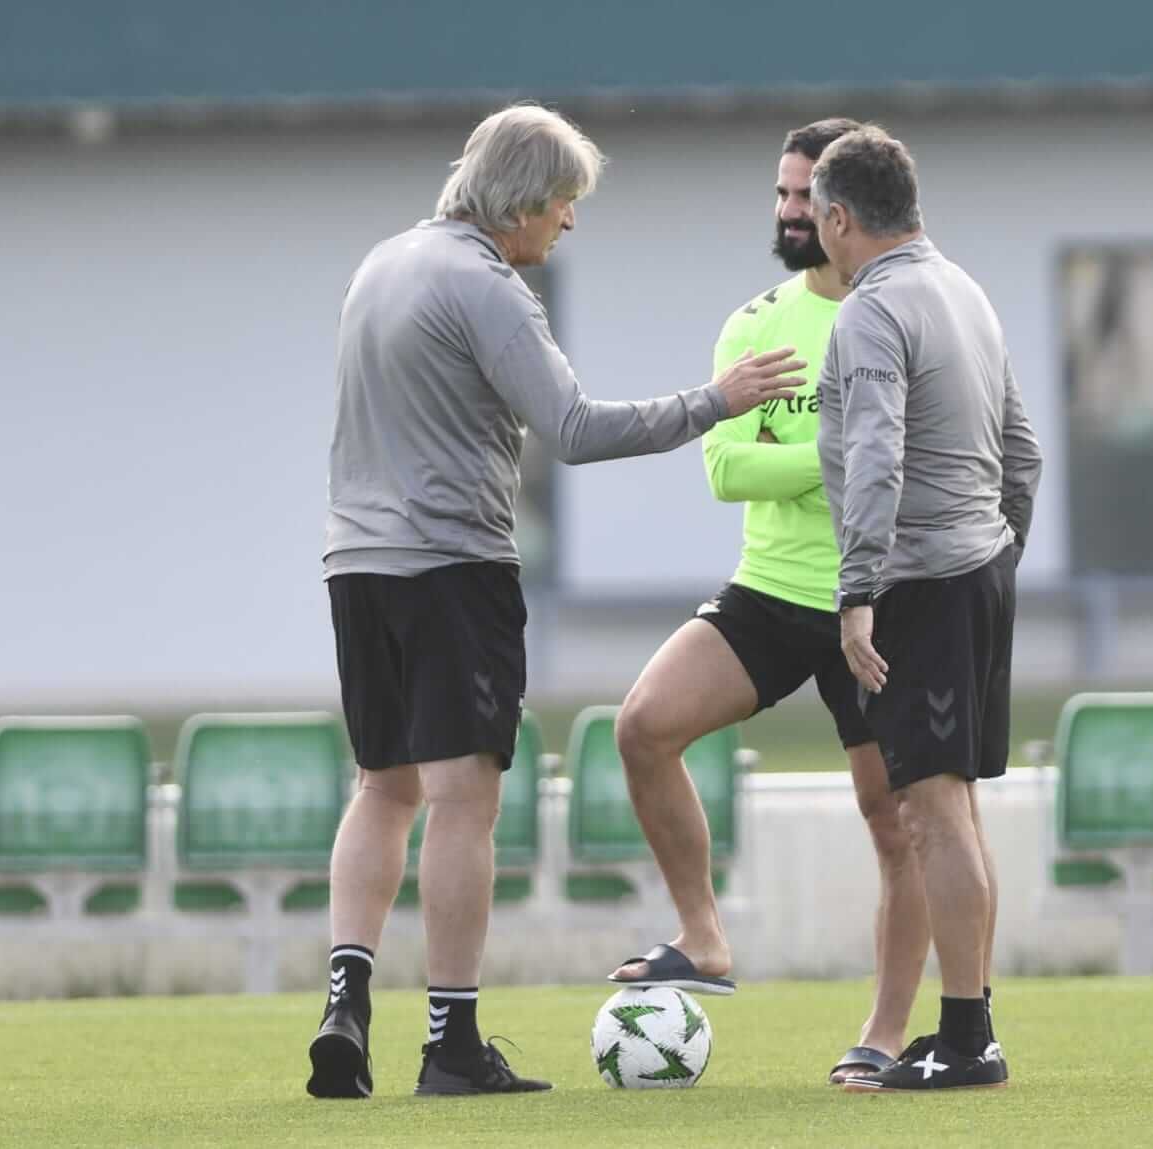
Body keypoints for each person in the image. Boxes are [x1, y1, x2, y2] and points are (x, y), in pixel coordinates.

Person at [309, 103, 806, 1100]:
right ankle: (451, 1042)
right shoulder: (485, 287)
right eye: (564, 204)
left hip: (355, 565)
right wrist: (717, 400)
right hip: (453, 568)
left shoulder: (383, 263)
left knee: (382, 786)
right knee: (462, 802)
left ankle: (346, 1002)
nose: (568, 224)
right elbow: (574, 429)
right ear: (524, 200)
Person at [607, 118, 935, 1084]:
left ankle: (882, 1033)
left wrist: (806, 462)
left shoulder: (894, 314)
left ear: (843, 211)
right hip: (770, 593)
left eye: (804, 198)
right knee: (642, 726)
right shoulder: (753, 322)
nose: (789, 214)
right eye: (781, 196)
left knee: (895, 819)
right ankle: (703, 937)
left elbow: (907, 465)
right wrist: (832, 454)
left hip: (873, 601)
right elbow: (725, 469)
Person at [811, 126, 1042, 1093]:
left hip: (924, 580)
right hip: (978, 569)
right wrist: (998, 554)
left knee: (930, 809)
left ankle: (967, 1040)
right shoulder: (966, 291)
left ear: (837, 218)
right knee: (955, 805)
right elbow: (1020, 448)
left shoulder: (873, 312)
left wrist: (858, 589)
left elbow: (875, 459)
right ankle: (965, 1026)